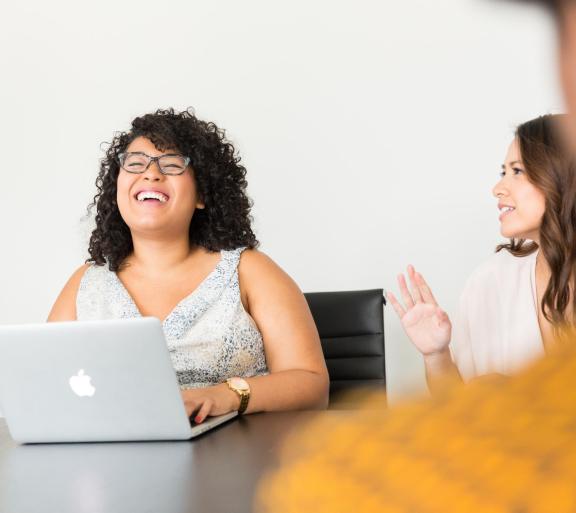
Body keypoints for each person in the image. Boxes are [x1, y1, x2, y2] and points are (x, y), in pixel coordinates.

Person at [48, 108, 329, 423]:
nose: (151, 174)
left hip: (237, 458)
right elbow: (43, 387)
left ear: (201, 195)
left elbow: (312, 384)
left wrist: (224, 396)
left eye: (171, 165)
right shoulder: (86, 283)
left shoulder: (250, 271)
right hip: (114, 461)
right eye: (135, 163)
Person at [387, 114, 576, 384]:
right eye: (504, 172)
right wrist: (436, 355)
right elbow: (457, 407)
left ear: (564, 176)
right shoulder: (490, 282)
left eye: (517, 171)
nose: (497, 189)